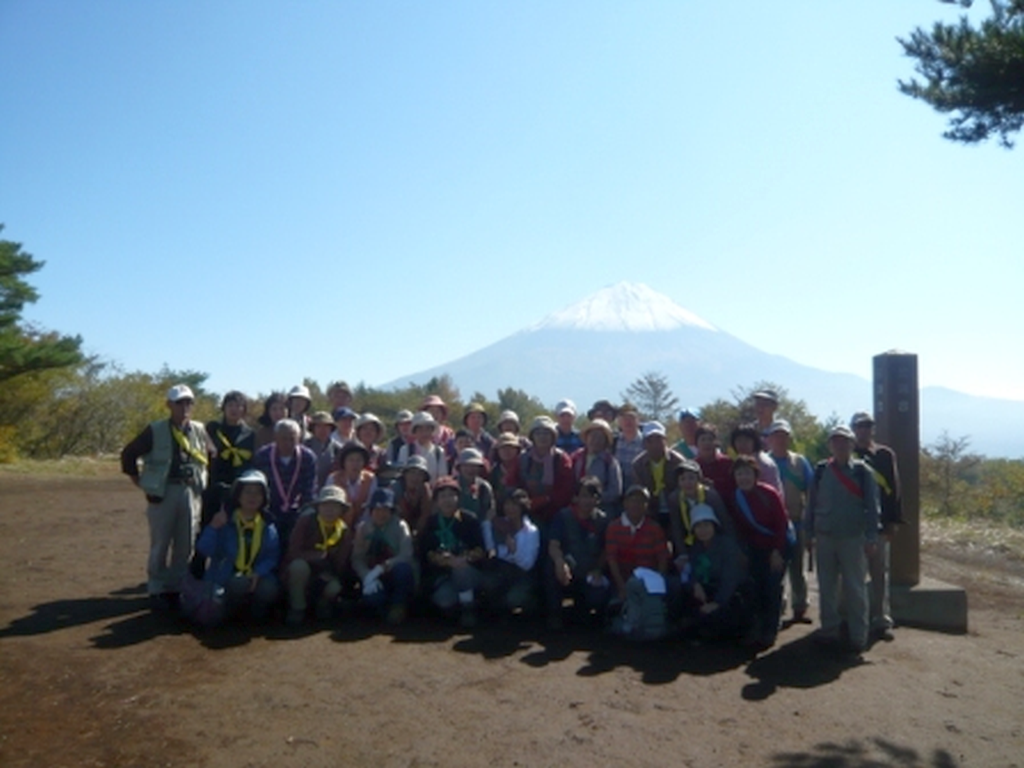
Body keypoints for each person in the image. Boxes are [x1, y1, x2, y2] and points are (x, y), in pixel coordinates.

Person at [121, 384, 212, 609]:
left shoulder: (199, 429)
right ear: (169, 405)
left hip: (191, 492)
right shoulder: (156, 429)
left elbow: (212, 453)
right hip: (164, 492)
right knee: (160, 543)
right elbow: (129, 454)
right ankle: (157, 587)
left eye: (188, 402)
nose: (184, 407)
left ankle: (177, 587)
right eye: (179, 402)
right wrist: (140, 482)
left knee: (186, 543)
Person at [806, 425, 881, 653]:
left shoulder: (862, 472)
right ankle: (829, 630)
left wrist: (871, 537)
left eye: (845, 441)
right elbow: (811, 505)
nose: (840, 446)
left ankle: (858, 636)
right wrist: (808, 534)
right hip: (825, 536)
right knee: (826, 587)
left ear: (852, 445)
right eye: (836, 441)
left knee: (855, 588)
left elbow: (873, 507)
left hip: (853, 538)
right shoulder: (820, 471)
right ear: (830, 445)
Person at [194, 469, 281, 623]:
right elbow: (204, 549)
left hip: (256, 575)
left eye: (257, 493)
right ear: (238, 495)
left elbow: (272, 556)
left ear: (264, 498)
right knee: (238, 584)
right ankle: (229, 613)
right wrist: (213, 527)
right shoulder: (224, 521)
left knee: (269, 589)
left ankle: (254, 613)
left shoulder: (268, 525)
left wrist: (258, 572)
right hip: (226, 577)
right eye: (247, 492)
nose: (252, 497)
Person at [727, 455, 790, 649]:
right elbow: (738, 529)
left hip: (776, 547)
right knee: (755, 588)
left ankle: (770, 630)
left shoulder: (769, 494)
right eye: (739, 473)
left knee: (772, 588)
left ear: (755, 475)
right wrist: (742, 552)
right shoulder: (736, 497)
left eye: (747, 473)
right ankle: (756, 628)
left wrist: (777, 551)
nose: (743, 478)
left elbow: (782, 524)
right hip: (753, 548)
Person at [850, 411, 903, 641]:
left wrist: (893, 521)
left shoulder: (884, 454)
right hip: (853, 525)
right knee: (854, 575)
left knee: (879, 572)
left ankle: (881, 618)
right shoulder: (847, 455)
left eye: (867, 426)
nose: (864, 430)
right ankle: (855, 617)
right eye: (860, 426)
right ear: (853, 429)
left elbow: (894, 489)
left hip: (880, 525)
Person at [193, 390, 255, 577]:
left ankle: (231, 569)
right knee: (207, 525)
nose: (234, 410)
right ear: (224, 408)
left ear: (244, 410)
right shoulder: (212, 429)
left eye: (238, 406)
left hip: (238, 489)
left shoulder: (250, 434)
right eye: (230, 405)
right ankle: (197, 566)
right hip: (213, 486)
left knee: (234, 529)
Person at [605, 485, 672, 639]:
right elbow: (612, 559)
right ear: (625, 503)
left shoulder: (654, 528)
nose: (636, 505)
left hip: (649, 581)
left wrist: (658, 583)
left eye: (641, 501)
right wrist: (622, 587)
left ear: (647, 506)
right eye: (632, 500)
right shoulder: (614, 527)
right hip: (622, 580)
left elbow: (662, 557)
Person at [420, 477, 487, 628]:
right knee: (444, 600)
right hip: (444, 574)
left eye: (451, 495)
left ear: (458, 498)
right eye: (442, 496)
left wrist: (464, 559)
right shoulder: (431, 523)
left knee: (461, 570)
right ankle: (464, 603)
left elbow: (481, 550)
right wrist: (444, 560)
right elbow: (427, 553)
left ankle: (468, 610)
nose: (447, 500)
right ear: (436, 501)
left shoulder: (470, 520)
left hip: (469, 572)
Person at [545, 476, 612, 630]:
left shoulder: (603, 521)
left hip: (589, 572)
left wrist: (599, 569)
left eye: (592, 496)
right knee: (550, 568)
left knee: (595, 599)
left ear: (598, 500)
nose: (587, 501)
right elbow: (554, 544)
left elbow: (606, 550)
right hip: (568, 570)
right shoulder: (563, 516)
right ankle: (554, 613)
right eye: (583, 496)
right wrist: (560, 563)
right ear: (575, 498)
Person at [282, 485, 354, 625]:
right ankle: (297, 608)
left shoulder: (344, 531)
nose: (329, 510)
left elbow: (341, 562)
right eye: (325, 505)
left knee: (334, 588)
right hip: (301, 570)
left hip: (325, 573)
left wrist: (329, 574)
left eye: (335, 506)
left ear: (341, 510)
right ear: (318, 507)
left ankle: (322, 604)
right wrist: (316, 556)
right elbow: (293, 552)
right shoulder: (305, 521)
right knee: (298, 567)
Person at [677, 503, 749, 642]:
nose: (703, 530)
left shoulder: (727, 545)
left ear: (714, 526)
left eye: (706, 525)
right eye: (698, 526)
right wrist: (695, 584)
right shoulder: (696, 548)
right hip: (708, 590)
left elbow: (730, 578)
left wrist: (717, 602)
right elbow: (691, 571)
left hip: (731, 594)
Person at [767, 419, 815, 623]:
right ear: (770, 439)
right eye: (777, 435)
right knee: (776, 569)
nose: (780, 439)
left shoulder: (800, 462)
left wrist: (810, 524)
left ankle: (800, 607)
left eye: (784, 436)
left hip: (797, 521)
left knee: (797, 568)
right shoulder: (763, 462)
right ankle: (778, 608)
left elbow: (812, 491)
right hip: (772, 525)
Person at [351, 488, 416, 625]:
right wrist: (367, 576)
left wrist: (384, 566)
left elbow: (406, 555)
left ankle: (399, 606)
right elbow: (357, 558)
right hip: (373, 576)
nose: (381, 514)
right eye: (377, 509)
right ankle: (382, 609)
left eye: (386, 509)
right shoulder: (363, 528)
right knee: (372, 598)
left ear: (392, 511)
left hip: (394, 572)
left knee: (403, 570)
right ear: (371, 511)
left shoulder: (401, 526)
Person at [252, 419, 317, 553]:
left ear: (299, 438)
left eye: (292, 439)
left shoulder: (307, 457)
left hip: (296, 510)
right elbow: (257, 487)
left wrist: (302, 514)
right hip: (268, 509)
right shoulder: (262, 456)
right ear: (275, 438)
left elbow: (309, 490)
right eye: (283, 438)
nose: (287, 443)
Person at [482, 489, 541, 616]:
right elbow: (490, 547)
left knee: (513, 599)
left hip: (522, 575)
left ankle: (530, 602)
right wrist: (487, 522)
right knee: (488, 583)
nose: (510, 508)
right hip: (503, 571)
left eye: (514, 505)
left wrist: (514, 551)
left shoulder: (531, 531)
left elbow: (527, 564)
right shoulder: (500, 524)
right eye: (507, 504)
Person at [667, 458, 735, 560]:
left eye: (691, 478)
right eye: (682, 479)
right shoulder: (674, 499)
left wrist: (731, 547)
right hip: (690, 540)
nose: (687, 483)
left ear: (699, 480)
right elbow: (676, 527)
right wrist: (682, 553)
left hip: (714, 538)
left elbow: (724, 521)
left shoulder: (711, 496)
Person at [518, 416, 574, 534]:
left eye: (546, 433)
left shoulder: (561, 459)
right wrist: (524, 501)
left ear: (553, 437)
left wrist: (546, 500)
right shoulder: (523, 458)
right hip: (527, 509)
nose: (542, 437)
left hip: (556, 512)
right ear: (532, 437)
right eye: (538, 433)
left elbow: (567, 489)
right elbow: (514, 481)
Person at [631, 421, 686, 530]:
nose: (655, 444)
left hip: (677, 510)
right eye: (650, 440)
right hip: (651, 512)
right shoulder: (638, 464)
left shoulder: (678, 461)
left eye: (658, 439)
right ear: (644, 443)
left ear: (665, 441)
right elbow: (638, 491)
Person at [569, 419, 623, 511]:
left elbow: (615, 491)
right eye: (593, 436)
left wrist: (593, 500)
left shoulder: (610, 462)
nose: (596, 440)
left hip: (601, 508)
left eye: (600, 437)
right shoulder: (575, 457)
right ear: (586, 438)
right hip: (575, 506)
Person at [324, 442, 377, 521]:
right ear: (344, 462)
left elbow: (370, 507)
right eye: (350, 460)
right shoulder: (333, 478)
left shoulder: (371, 479)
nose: (355, 464)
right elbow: (329, 505)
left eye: (359, 460)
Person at [455, 448, 496, 548]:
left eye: (474, 466)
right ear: (460, 467)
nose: (470, 469)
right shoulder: (452, 485)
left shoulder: (484, 487)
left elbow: (490, 511)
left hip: (478, 529)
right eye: (467, 465)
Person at [729, 423, 783, 494]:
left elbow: (776, 493)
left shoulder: (764, 463)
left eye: (746, 440)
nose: (742, 444)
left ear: (754, 442)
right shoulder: (738, 462)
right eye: (739, 440)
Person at [397, 411, 449, 482]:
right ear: (415, 432)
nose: (425, 433)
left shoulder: (439, 452)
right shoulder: (405, 450)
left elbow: (442, 476)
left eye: (428, 429)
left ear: (432, 431)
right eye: (420, 429)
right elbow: (401, 474)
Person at [390, 455, 434, 538]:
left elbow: (426, 513)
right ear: (405, 474)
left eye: (420, 474)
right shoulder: (395, 488)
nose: (415, 477)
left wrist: (417, 531)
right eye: (412, 472)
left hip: (416, 530)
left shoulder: (425, 490)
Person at [695, 423, 734, 499]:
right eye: (703, 439)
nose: (707, 443)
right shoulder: (693, 466)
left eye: (710, 439)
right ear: (696, 444)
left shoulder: (728, 463)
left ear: (716, 442)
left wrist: (715, 485)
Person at [613, 403, 645, 489]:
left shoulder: (646, 443)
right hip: (617, 489)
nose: (628, 422)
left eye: (631, 418)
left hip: (639, 489)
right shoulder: (613, 442)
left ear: (638, 420)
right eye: (624, 418)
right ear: (619, 422)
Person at [490, 431, 524, 508]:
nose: (507, 451)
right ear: (497, 451)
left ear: (517, 450)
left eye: (510, 448)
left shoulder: (524, 468)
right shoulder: (494, 472)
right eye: (503, 448)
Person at [419, 395, 456, 460]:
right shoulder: (417, 433)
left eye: (437, 411)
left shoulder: (449, 433)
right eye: (431, 411)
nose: (434, 415)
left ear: (442, 414)